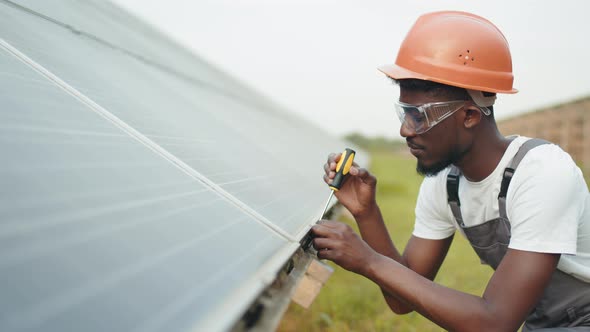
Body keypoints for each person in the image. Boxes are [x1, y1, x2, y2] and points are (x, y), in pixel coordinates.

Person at [312, 10, 590, 331]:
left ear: (470, 115)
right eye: (403, 113)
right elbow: (402, 298)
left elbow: (496, 322)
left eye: (417, 115)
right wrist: (367, 213)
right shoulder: (446, 184)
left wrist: (370, 261)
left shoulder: (542, 173)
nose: (405, 130)